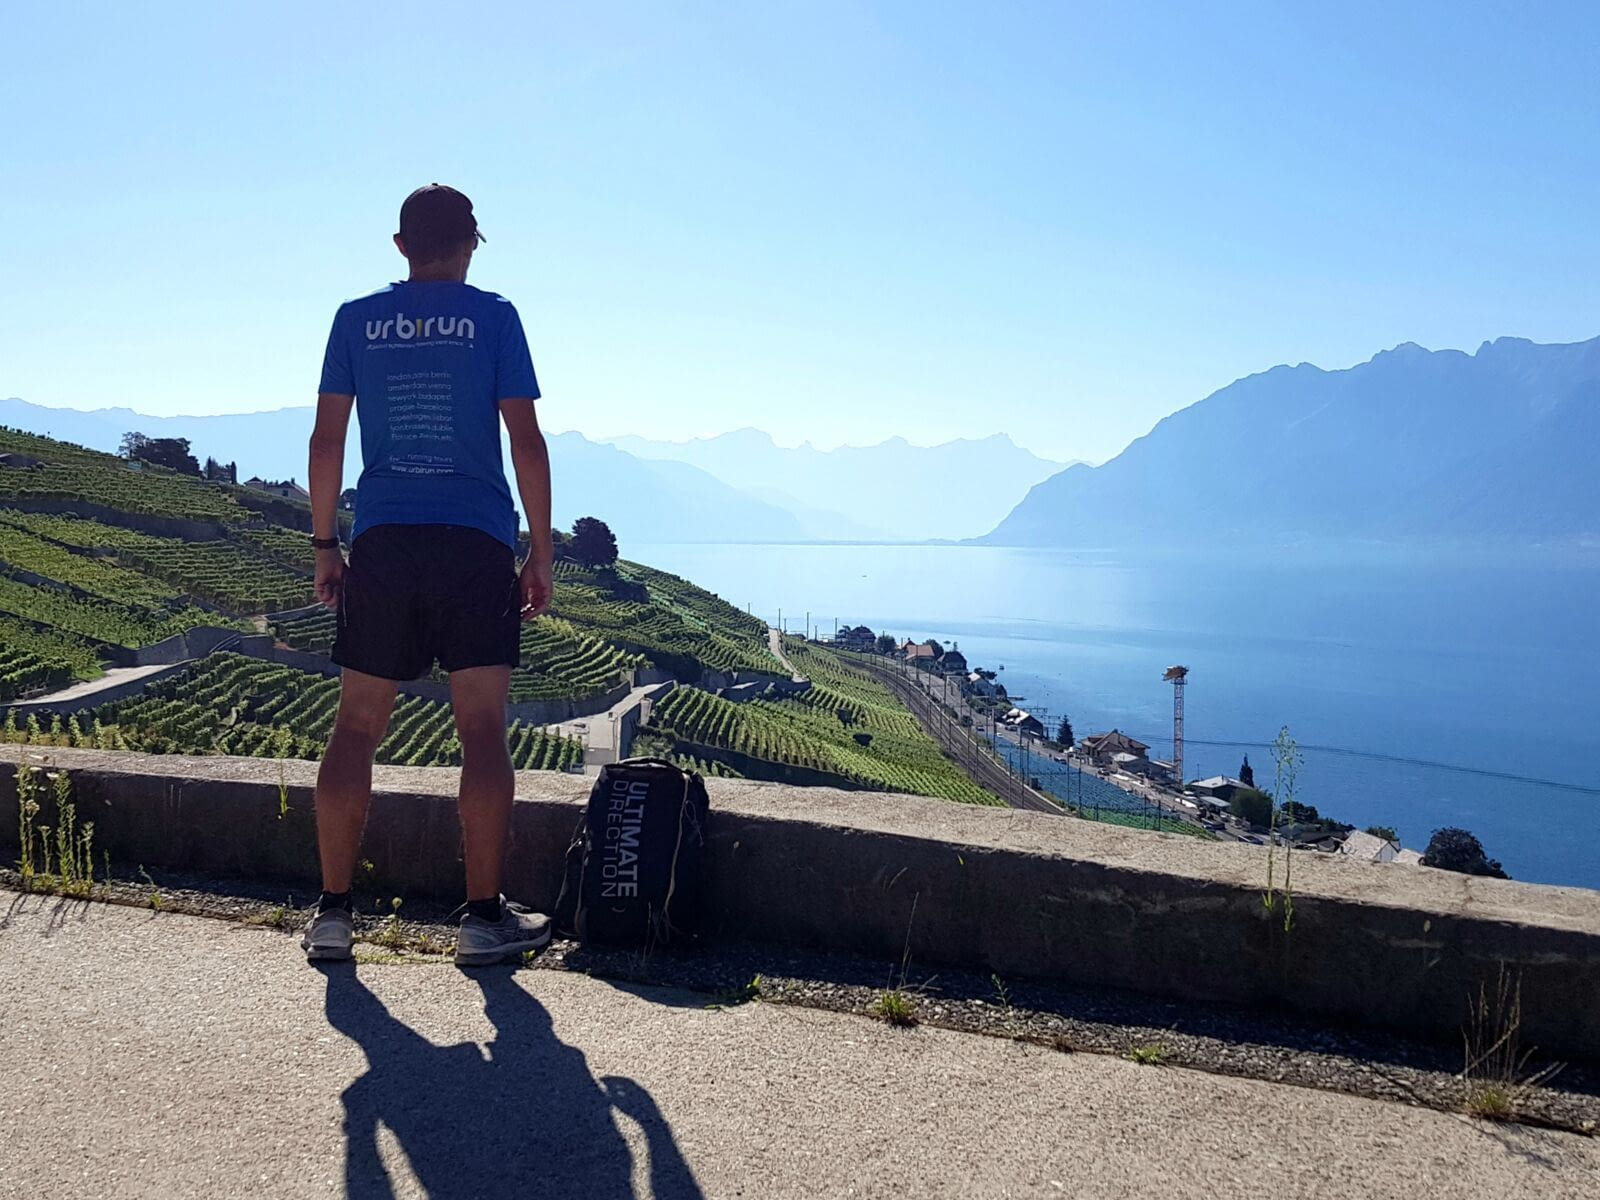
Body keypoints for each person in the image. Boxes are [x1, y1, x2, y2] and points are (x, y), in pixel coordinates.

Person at [300, 184, 554, 966]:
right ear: (471, 244)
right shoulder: (495, 317)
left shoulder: (355, 320)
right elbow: (527, 443)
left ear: (401, 246)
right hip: (474, 542)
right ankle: (482, 922)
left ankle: (334, 916)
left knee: (354, 729)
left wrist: (325, 545)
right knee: (481, 731)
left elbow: (324, 443)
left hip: (383, 541)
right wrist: (540, 552)